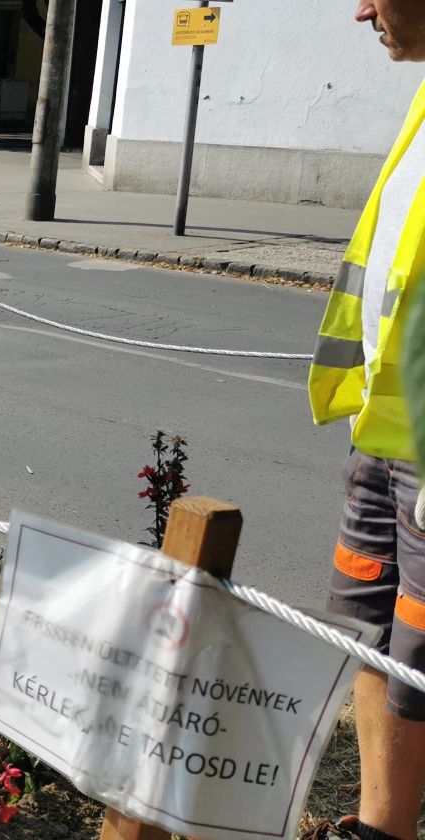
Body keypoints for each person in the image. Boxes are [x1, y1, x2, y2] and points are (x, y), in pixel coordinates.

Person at [304, 2, 425, 838]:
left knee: (420, 665)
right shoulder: (422, 103)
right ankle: (377, 828)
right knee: (368, 637)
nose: (361, 9)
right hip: (384, 443)